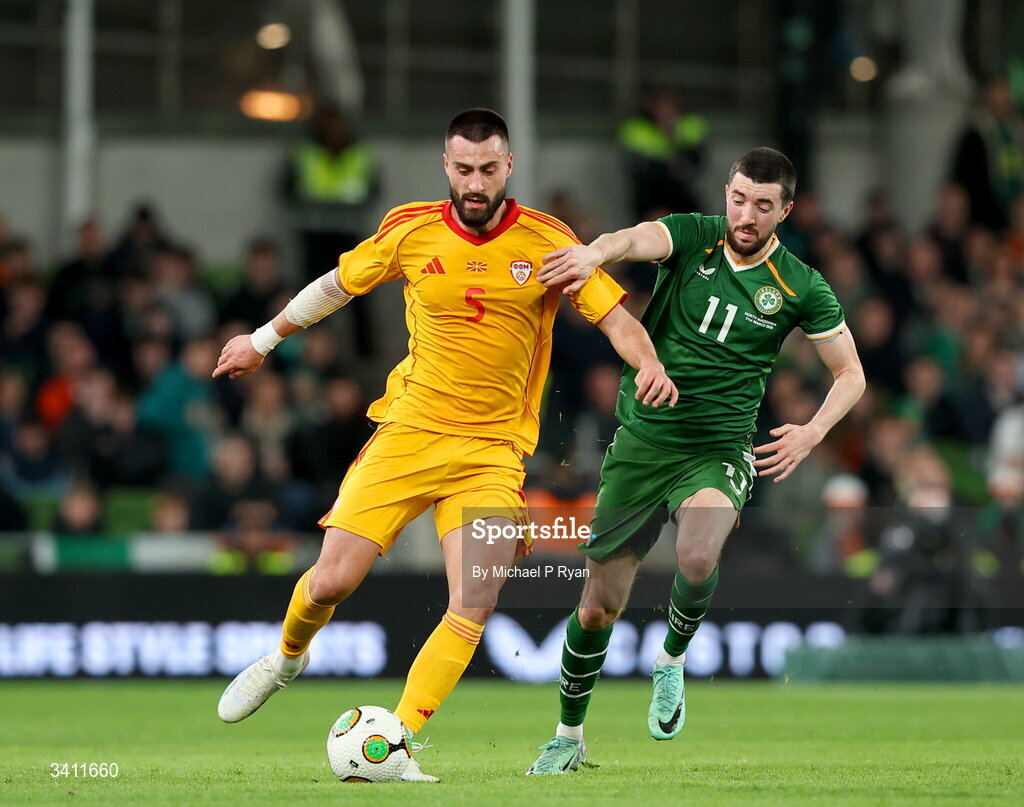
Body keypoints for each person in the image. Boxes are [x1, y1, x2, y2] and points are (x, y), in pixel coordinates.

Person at [213, 109, 677, 783]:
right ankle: (287, 658)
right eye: (464, 168)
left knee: (475, 600)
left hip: (491, 454)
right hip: (407, 434)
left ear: (508, 167)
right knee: (331, 580)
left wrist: (651, 365)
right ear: (446, 166)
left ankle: (394, 740)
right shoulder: (410, 228)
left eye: (489, 168)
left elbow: (613, 316)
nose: (476, 181)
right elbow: (338, 284)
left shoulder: (548, 242)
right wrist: (262, 339)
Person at [525, 147, 865, 775]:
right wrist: (596, 252)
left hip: (719, 448)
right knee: (599, 604)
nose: (746, 213)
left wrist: (813, 432)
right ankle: (568, 735)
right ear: (727, 194)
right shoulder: (694, 235)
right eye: (738, 198)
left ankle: (672, 660)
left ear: (784, 210)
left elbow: (850, 374)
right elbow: (637, 238)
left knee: (698, 554)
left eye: (763, 205)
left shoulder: (801, 286)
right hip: (644, 442)